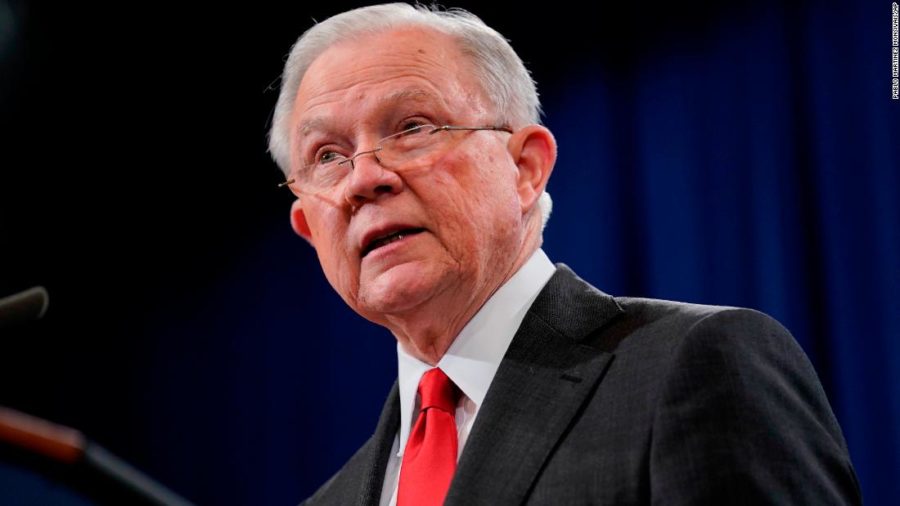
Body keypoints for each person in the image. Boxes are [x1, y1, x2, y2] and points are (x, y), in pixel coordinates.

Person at [268, 3, 861, 505]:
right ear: (308, 228)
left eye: (412, 126)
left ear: (525, 168)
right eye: (326, 156)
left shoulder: (698, 364)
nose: (362, 179)